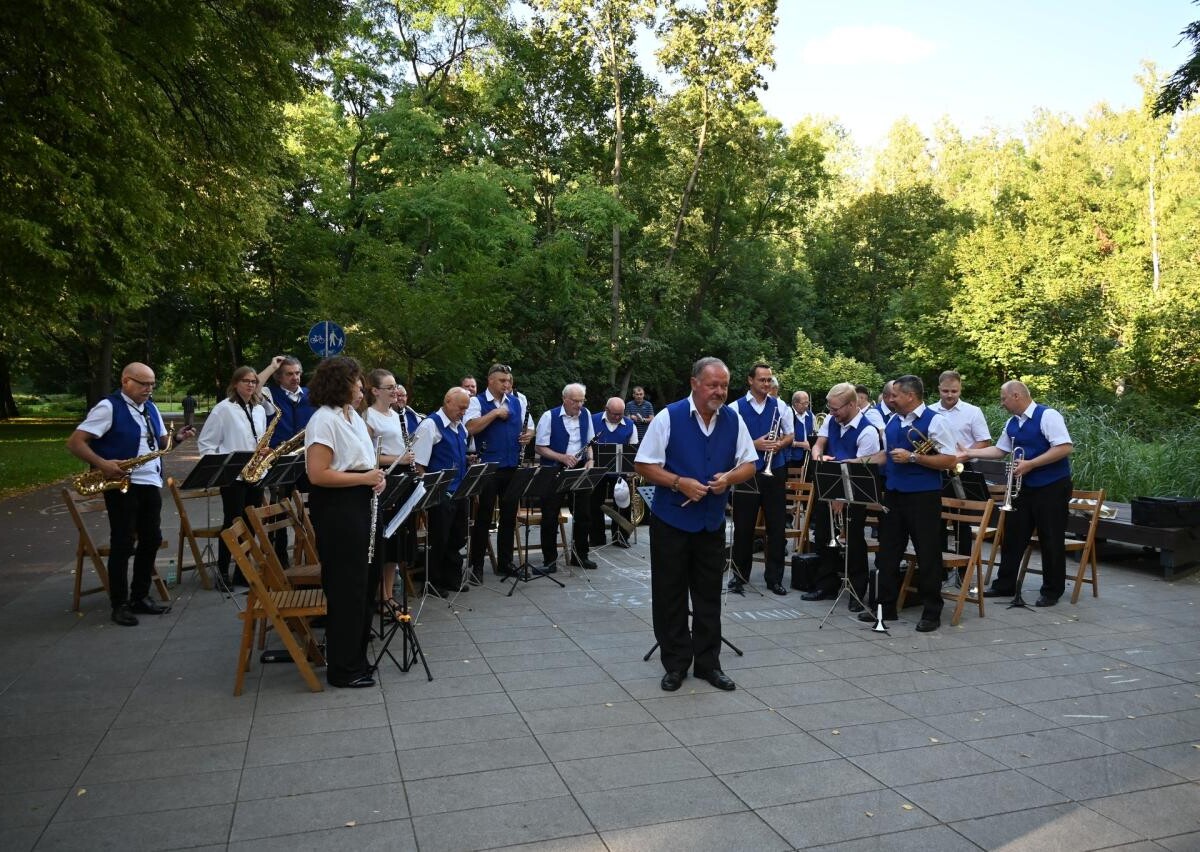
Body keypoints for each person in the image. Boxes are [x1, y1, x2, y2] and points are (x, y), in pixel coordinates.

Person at [635, 357, 757, 693]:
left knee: (708, 597)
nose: (719, 391)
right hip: (671, 521)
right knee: (669, 594)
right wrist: (678, 482)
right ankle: (675, 664)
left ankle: (708, 664)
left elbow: (750, 463)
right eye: (712, 384)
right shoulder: (668, 417)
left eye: (724, 385)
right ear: (694, 383)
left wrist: (729, 478)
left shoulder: (733, 419)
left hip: (710, 522)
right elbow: (644, 464)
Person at [67, 363, 195, 626]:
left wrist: (178, 438)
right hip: (122, 481)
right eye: (143, 383)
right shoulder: (108, 407)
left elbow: (159, 444)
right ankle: (119, 604)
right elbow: (75, 442)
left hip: (149, 481)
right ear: (126, 381)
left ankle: (140, 596)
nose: (149, 389)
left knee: (151, 539)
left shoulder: (151, 408)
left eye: (152, 384)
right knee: (123, 543)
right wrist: (103, 464)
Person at [304, 356, 385, 689]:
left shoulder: (350, 416)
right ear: (340, 383)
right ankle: (342, 668)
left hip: (361, 501)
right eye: (356, 380)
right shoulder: (323, 420)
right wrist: (364, 478)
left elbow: (362, 462)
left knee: (365, 584)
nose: (362, 387)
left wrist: (376, 478)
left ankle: (357, 658)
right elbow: (318, 474)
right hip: (339, 509)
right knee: (346, 586)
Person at [962, 381, 1074, 606]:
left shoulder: (1047, 416)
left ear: (1016, 395)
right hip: (1024, 487)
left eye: (1003, 398)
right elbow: (1000, 450)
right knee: (1012, 536)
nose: (1001, 403)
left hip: (1052, 486)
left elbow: (1064, 447)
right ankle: (1005, 585)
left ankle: (1052, 590)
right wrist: (969, 452)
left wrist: (1031, 464)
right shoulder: (1012, 423)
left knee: (1050, 537)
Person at [864, 375, 959, 632]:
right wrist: (857, 462)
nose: (890, 399)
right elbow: (886, 455)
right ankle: (885, 607)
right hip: (894, 494)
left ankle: (931, 611)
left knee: (927, 553)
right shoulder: (894, 420)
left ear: (910, 396)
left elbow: (950, 459)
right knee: (888, 553)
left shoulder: (936, 421)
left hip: (923, 496)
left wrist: (914, 457)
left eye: (895, 395)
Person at [197, 366, 277, 587]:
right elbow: (206, 444)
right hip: (234, 476)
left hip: (256, 473)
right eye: (246, 381)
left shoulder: (259, 409)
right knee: (232, 523)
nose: (251, 385)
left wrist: (264, 451)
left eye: (254, 381)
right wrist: (225, 467)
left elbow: (258, 439)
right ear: (235, 384)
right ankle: (222, 572)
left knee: (250, 523)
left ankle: (242, 573)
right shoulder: (223, 409)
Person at [805, 382, 882, 608]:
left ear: (851, 404)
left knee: (854, 540)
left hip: (853, 493)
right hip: (829, 486)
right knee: (823, 536)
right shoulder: (831, 420)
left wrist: (841, 498)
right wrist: (819, 457)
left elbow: (860, 471)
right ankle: (826, 584)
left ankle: (858, 589)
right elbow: (818, 446)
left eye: (836, 409)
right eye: (830, 408)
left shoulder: (868, 431)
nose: (831, 413)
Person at [728, 363, 793, 596]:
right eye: (762, 380)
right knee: (743, 526)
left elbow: (790, 435)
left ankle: (774, 578)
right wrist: (754, 444)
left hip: (774, 469)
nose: (767, 384)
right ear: (750, 380)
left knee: (777, 527)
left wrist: (779, 444)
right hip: (746, 471)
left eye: (769, 380)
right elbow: (728, 440)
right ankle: (738, 575)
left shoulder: (781, 405)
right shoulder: (735, 407)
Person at [465, 364, 532, 579]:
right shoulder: (477, 401)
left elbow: (530, 426)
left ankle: (505, 562)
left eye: (509, 381)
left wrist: (528, 435)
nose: (507, 384)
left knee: (509, 518)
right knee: (483, 517)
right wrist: (494, 413)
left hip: (512, 466)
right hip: (488, 467)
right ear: (491, 381)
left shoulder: (518, 401)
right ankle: (476, 565)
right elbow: (471, 428)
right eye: (502, 381)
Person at [363, 369, 416, 613]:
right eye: (390, 387)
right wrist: (401, 458)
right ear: (375, 391)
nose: (396, 391)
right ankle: (380, 595)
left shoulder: (396, 415)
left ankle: (388, 592)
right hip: (385, 478)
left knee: (396, 540)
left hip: (401, 479)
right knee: (384, 538)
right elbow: (369, 457)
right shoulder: (369, 417)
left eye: (396, 386)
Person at [412, 387, 472, 594]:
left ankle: (452, 577)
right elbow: (419, 463)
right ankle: (434, 581)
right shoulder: (430, 425)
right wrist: (430, 491)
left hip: (460, 490)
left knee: (458, 536)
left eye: (466, 408)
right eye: (461, 407)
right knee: (439, 537)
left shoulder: (459, 426)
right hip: (440, 491)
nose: (464, 412)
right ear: (447, 401)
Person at [258, 355, 314, 567]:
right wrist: (271, 366)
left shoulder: (310, 394)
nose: (295, 377)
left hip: (307, 460)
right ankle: (279, 560)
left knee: (313, 507)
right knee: (279, 511)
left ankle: (312, 556)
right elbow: (255, 388)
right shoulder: (270, 395)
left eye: (298, 373)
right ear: (279, 378)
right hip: (279, 461)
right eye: (289, 374)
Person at [535, 383, 596, 571]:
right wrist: (562, 457)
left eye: (581, 400)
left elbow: (590, 442)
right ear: (565, 399)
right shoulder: (549, 416)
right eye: (575, 401)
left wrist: (591, 460)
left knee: (583, 513)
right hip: (554, 468)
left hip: (579, 467)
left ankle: (580, 555)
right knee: (550, 515)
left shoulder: (586, 414)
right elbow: (539, 447)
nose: (579, 405)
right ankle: (550, 560)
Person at [932, 370, 992, 558]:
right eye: (946, 391)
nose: (950, 395)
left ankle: (963, 568)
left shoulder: (972, 412)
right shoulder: (929, 410)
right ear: (939, 389)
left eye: (954, 391)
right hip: (936, 469)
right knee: (936, 519)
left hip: (962, 468)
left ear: (960, 390)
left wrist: (959, 457)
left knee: (962, 521)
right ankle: (939, 567)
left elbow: (984, 441)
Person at [589, 397, 638, 549]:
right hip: (597, 470)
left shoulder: (630, 424)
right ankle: (597, 537)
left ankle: (621, 536)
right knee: (595, 502)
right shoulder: (593, 420)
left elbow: (633, 448)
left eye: (620, 414)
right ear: (606, 409)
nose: (617, 417)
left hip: (619, 471)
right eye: (614, 414)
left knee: (623, 503)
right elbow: (588, 443)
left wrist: (632, 469)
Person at [787, 390, 815, 475]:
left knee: (808, 481)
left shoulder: (810, 415)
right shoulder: (788, 414)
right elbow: (783, 439)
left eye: (808, 403)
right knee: (792, 483)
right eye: (804, 403)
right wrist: (802, 444)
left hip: (807, 456)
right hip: (792, 457)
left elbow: (814, 433)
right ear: (795, 403)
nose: (807, 406)